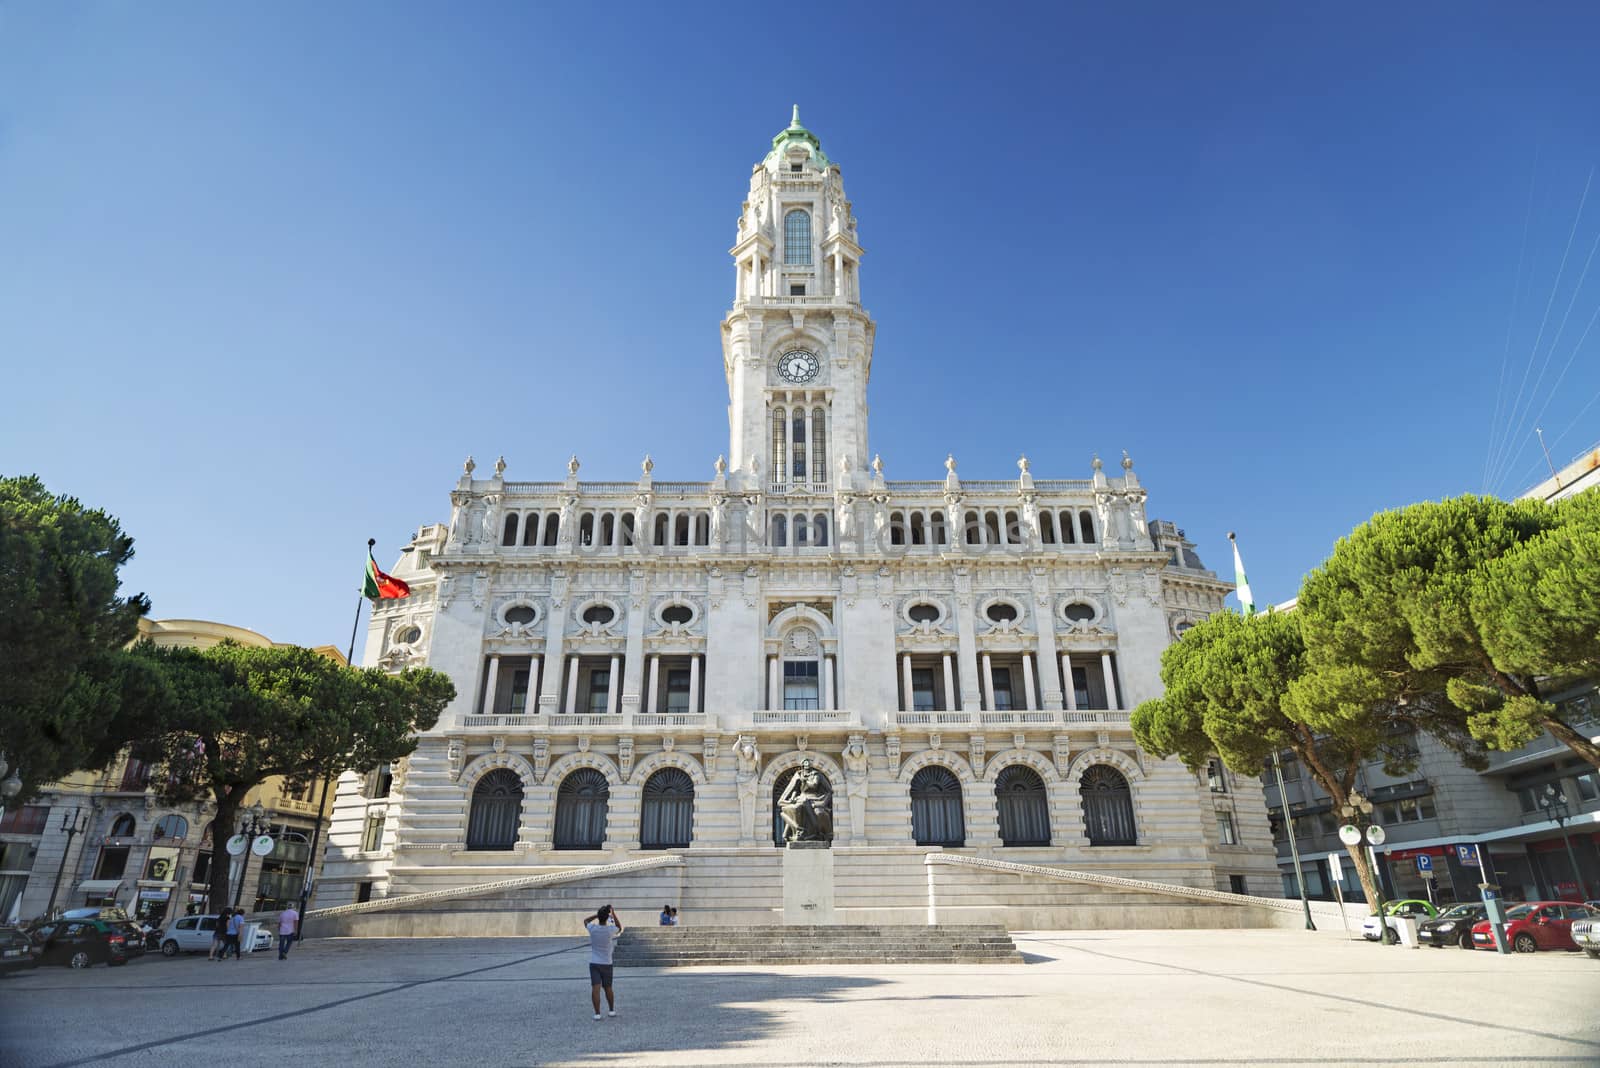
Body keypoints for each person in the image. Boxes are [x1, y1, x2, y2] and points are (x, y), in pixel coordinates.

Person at [582, 905, 623, 1020]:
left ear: (599, 917)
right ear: (606, 917)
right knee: (608, 987)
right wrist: (613, 913)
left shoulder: (592, 928)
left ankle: (597, 1013)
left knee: (595, 988)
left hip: (594, 962)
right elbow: (619, 927)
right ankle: (611, 1010)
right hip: (607, 963)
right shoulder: (610, 930)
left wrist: (597, 914)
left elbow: (585, 920)